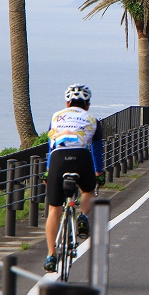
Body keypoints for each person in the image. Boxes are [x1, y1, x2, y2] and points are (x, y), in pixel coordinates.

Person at [43, 84, 104, 272]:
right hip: (82, 158)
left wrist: (48, 171)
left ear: (67, 102)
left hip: (58, 159)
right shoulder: (92, 119)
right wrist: (99, 174)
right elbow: (96, 149)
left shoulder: (56, 117)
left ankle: (51, 256)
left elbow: (51, 147)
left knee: (54, 209)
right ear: (87, 105)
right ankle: (83, 216)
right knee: (88, 190)